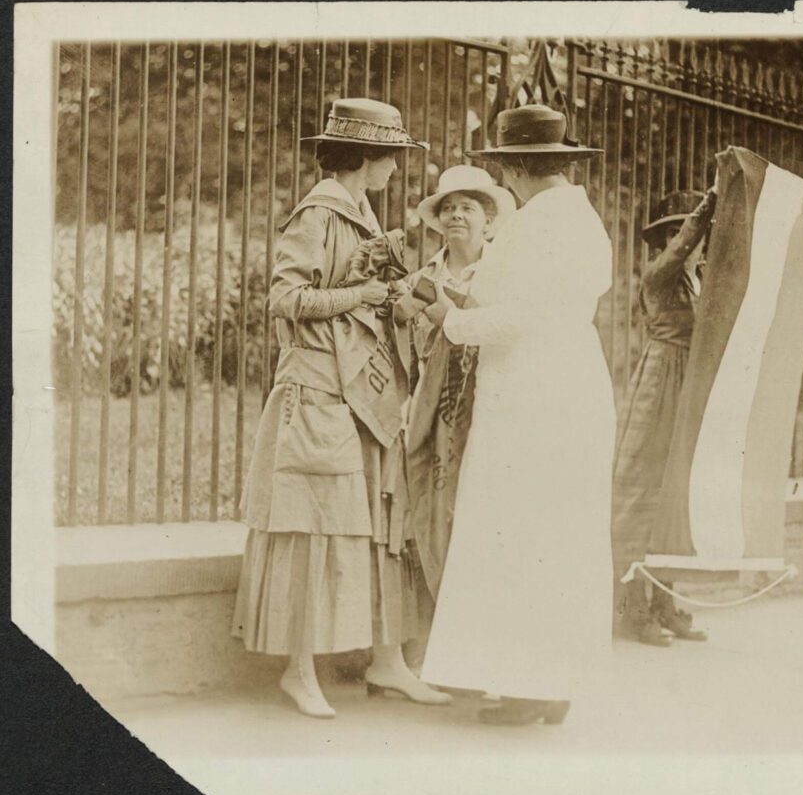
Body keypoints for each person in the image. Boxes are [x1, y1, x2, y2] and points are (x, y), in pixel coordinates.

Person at [231, 98, 451, 717]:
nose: (396, 169)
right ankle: (299, 673)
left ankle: (389, 663)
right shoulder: (319, 213)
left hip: (365, 392)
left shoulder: (362, 212)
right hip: (319, 391)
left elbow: (366, 299)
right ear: (367, 156)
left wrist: (399, 296)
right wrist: (367, 292)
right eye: (392, 157)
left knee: (382, 526)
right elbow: (285, 297)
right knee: (311, 527)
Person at [417, 104, 617, 726]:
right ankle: (551, 684)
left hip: (534, 392)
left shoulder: (536, 226)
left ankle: (530, 686)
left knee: (523, 531)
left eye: (504, 170)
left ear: (518, 169)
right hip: (573, 383)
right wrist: (462, 302)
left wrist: (448, 319)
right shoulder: (584, 221)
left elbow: (519, 316)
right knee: (559, 534)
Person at [397, 165, 516, 605]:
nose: (456, 216)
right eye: (448, 208)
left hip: (488, 404)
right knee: (430, 504)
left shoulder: (505, 274)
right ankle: (434, 612)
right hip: (432, 408)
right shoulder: (420, 281)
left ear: (487, 218)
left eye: (468, 207)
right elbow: (406, 351)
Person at [611, 189, 716, 646]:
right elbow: (678, 254)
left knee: (676, 497)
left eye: (687, 231)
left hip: (689, 388)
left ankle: (664, 601)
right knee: (642, 493)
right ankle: (633, 609)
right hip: (659, 383)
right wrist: (706, 210)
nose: (683, 241)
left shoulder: (704, 283)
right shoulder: (658, 277)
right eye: (673, 233)